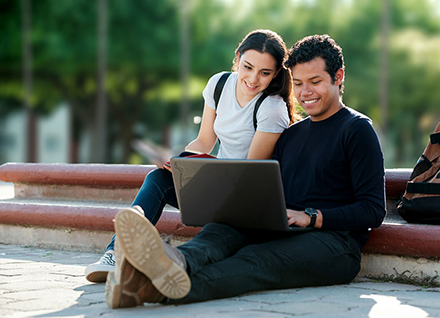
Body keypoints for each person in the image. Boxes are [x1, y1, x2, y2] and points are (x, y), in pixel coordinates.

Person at [104, 34, 386, 309]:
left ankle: (147, 288)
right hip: (283, 225)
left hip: (335, 243)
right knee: (219, 233)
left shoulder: (357, 129)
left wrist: (312, 218)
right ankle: (169, 263)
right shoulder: (291, 134)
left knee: (254, 260)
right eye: (298, 83)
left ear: (338, 77)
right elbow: (271, 187)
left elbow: (373, 210)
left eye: (315, 82)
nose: (305, 93)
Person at [85, 29, 297, 283]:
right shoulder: (219, 84)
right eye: (247, 67)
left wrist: (205, 174)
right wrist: (179, 161)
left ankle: (159, 262)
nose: (253, 79)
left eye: (265, 73)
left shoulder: (271, 108)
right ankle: (114, 254)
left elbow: (248, 173)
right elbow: (205, 141)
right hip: (220, 187)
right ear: (237, 58)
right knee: (158, 179)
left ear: (276, 74)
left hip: (246, 199)